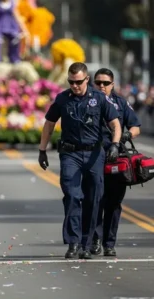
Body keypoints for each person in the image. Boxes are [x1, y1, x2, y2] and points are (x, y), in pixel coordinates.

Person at [38, 62, 122, 260]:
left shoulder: (99, 98)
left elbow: (115, 125)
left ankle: (86, 242)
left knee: (94, 199)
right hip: (70, 154)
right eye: (71, 82)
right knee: (72, 195)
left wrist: (115, 145)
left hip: (94, 154)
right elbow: (49, 124)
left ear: (86, 80)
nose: (74, 86)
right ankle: (73, 243)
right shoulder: (62, 99)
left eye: (78, 82)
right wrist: (42, 150)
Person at [88, 68, 141, 257]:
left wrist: (126, 134)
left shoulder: (120, 103)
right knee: (95, 200)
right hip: (93, 157)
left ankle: (109, 243)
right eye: (98, 83)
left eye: (105, 83)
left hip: (115, 156)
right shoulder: (87, 101)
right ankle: (95, 239)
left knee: (114, 202)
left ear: (113, 85)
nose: (101, 86)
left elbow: (136, 126)